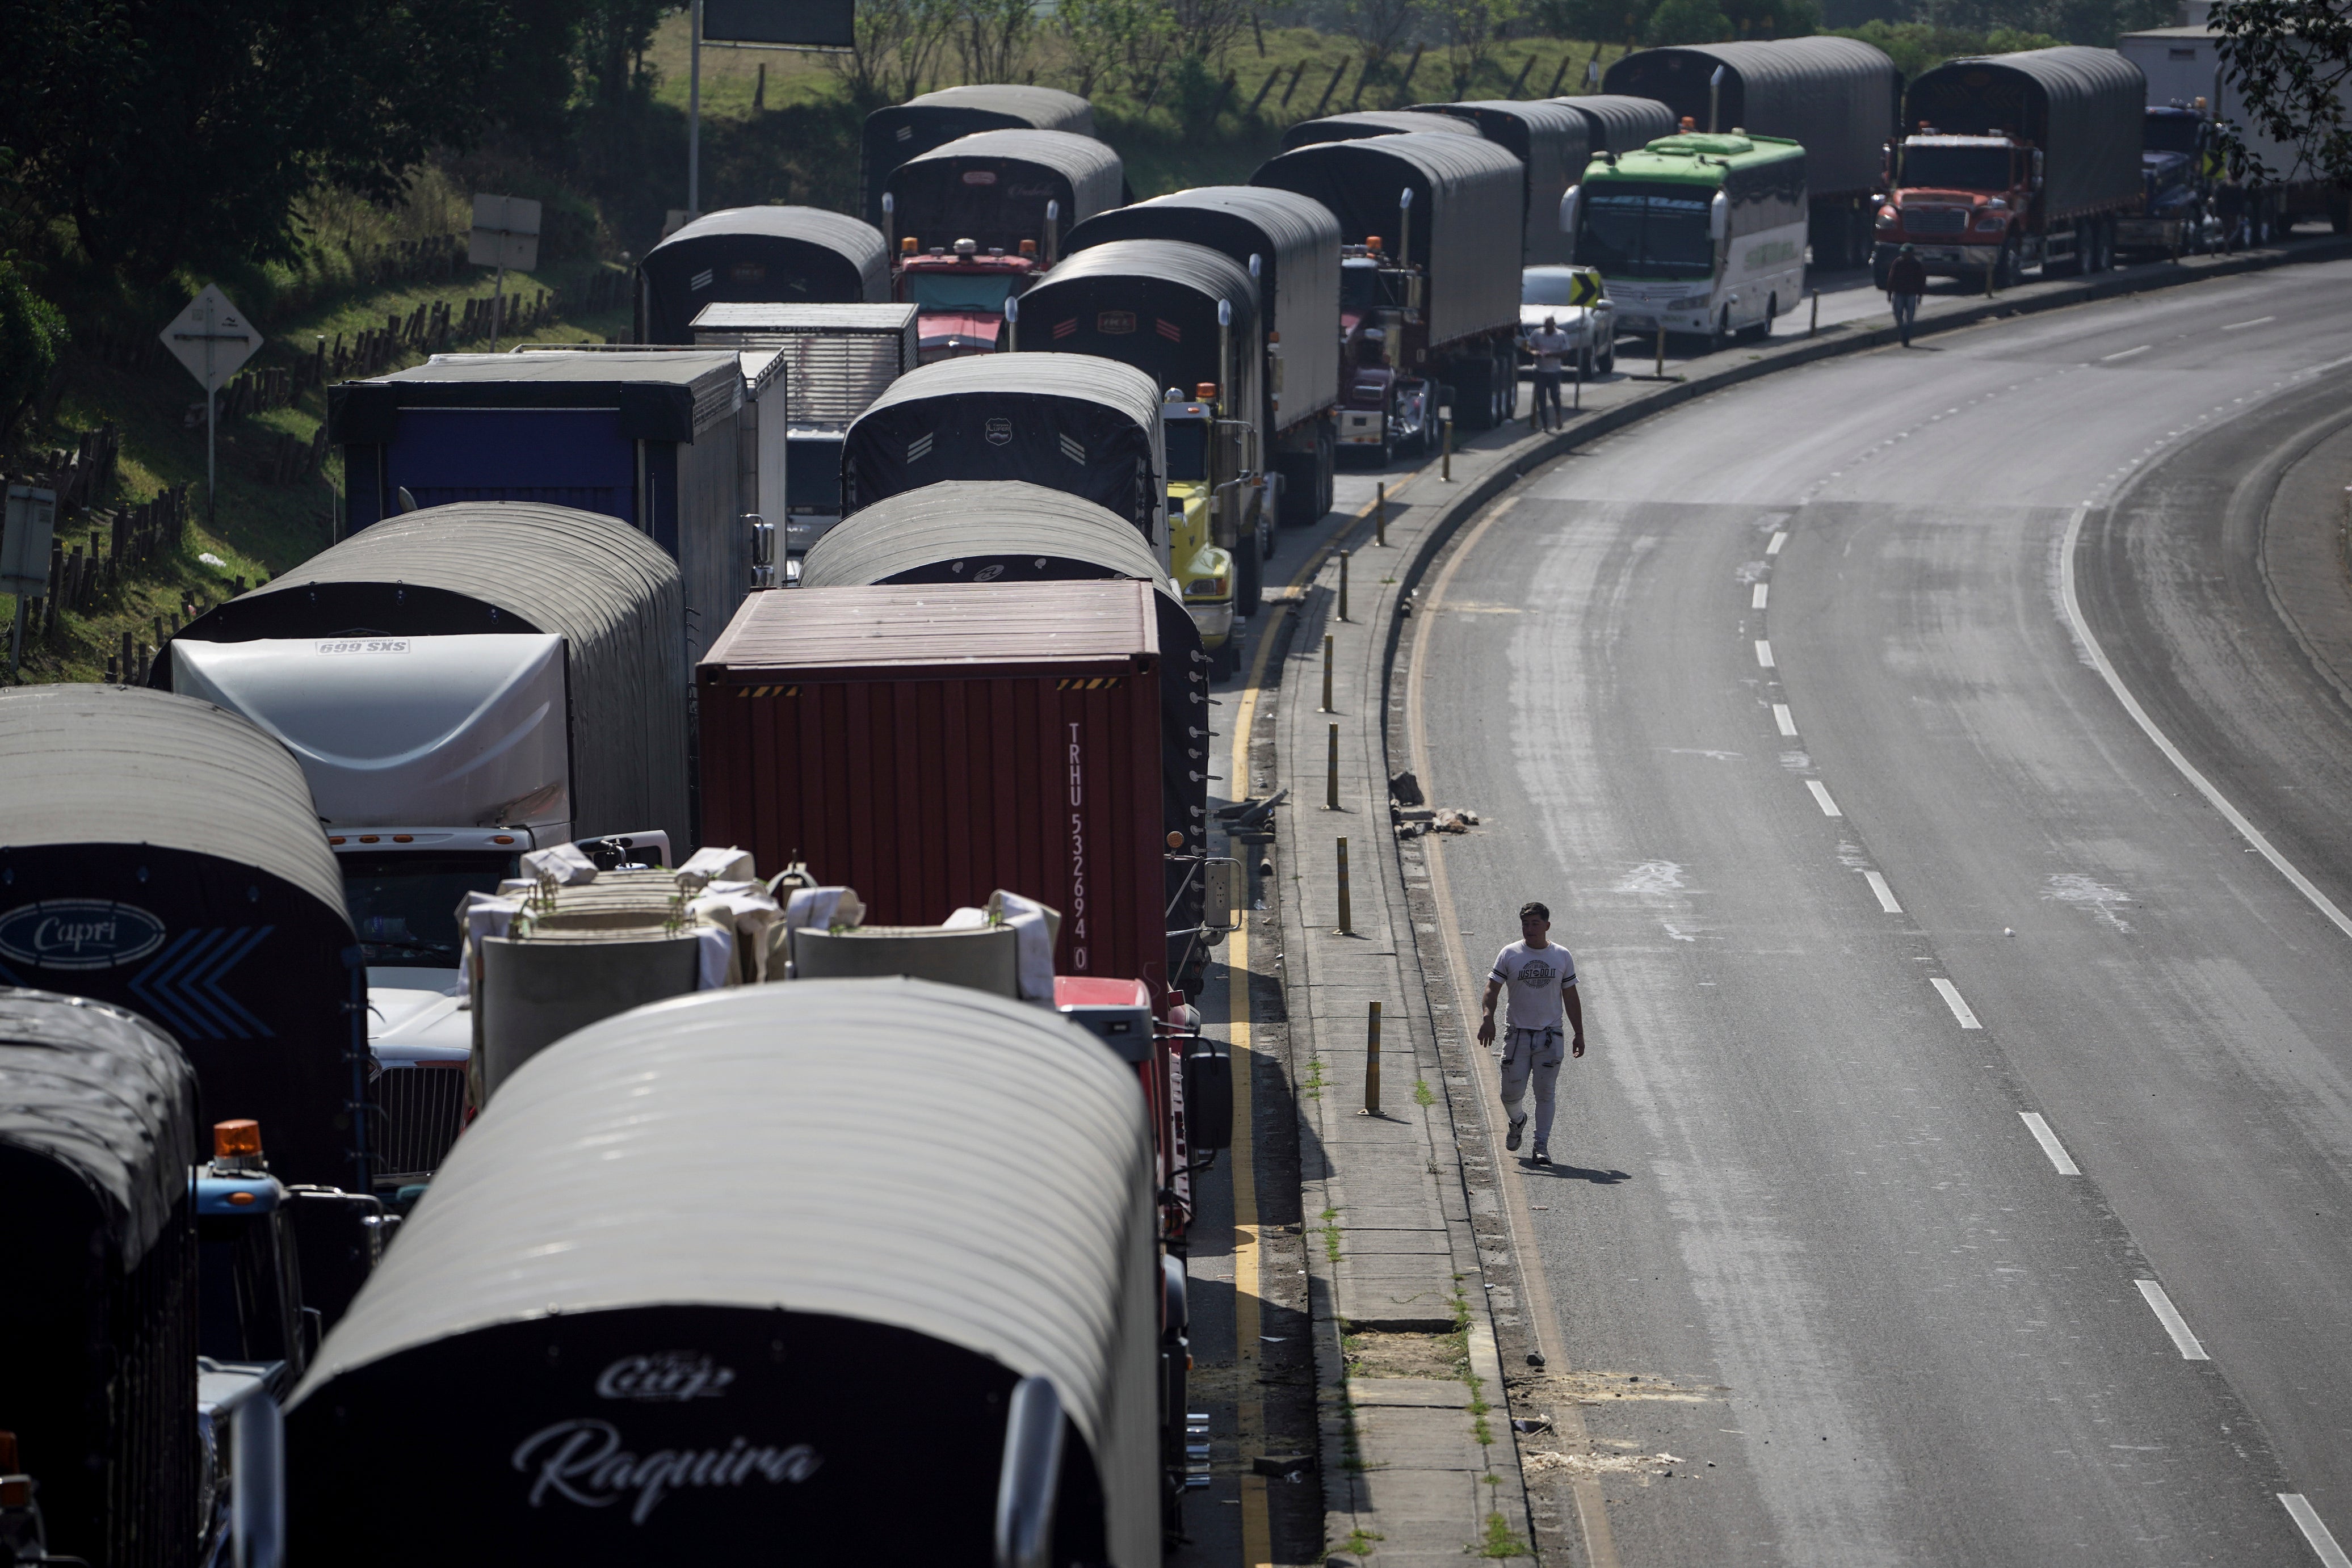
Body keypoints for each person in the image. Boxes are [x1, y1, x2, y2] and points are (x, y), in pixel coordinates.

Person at [1476, 901, 1585, 1167]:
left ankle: (1541, 1147)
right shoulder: (1510, 954)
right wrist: (1487, 1018)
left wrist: (1579, 1033)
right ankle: (1517, 1120)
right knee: (1509, 1095)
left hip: (1551, 1036)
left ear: (1547, 926)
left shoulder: (1562, 956)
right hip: (1517, 1036)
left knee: (1545, 1092)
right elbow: (1492, 988)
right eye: (1526, 924)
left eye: (1536, 924)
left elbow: (1570, 996)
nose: (1530, 929)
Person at [1525, 315, 1575, 432]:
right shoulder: (1537, 334)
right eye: (1546, 326)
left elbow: (1565, 353)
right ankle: (1545, 424)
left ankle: (1558, 414)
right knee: (1541, 398)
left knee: (1554, 395)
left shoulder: (1561, 335)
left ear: (1554, 325)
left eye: (1550, 326)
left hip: (1554, 371)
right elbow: (1530, 347)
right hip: (1540, 370)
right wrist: (1535, 353)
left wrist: (1551, 354)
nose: (1548, 329)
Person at [1886, 244, 1927, 347]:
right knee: (1898, 314)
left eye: (1906, 253)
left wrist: (1920, 295)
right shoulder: (1898, 263)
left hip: (1911, 294)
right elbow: (1891, 278)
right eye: (1903, 252)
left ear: (1911, 253)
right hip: (1899, 293)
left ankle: (1906, 337)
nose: (1904, 254)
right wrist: (1889, 293)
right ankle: (1902, 331)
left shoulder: (1917, 265)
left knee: (1910, 317)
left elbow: (1922, 281)